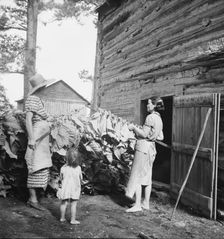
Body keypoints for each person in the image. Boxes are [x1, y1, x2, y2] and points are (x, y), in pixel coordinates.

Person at [125, 96, 164, 212]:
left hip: (143, 148)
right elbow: (161, 137)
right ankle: (145, 203)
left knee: (137, 176)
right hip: (151, 149)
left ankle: (137, 205)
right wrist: (152, 135)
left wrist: (134, 128)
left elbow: (143, 135)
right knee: (147, 177)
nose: (147, 105)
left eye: (149, 103)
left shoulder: (150, 117)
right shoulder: (159, 118)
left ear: (154, 105)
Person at [25, 73, 53, 211]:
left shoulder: (38, 99)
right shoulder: (32, 99)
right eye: (44, 85)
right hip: (36, 135)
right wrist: (31, 138)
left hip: (42, 137)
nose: (46, 87)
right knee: (34, 165)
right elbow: (28, 120)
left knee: (41, 165)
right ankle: (32, 199)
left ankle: (36, 198)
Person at [57, 148, 83, 225]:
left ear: (66, 158)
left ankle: (62, 218)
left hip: (65, 188)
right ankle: (73, 220)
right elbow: (81, 178)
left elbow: (61, 178)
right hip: (75, 189)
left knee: (63, 203)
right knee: (73, 204)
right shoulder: (78, 168)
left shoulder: (63, 168)